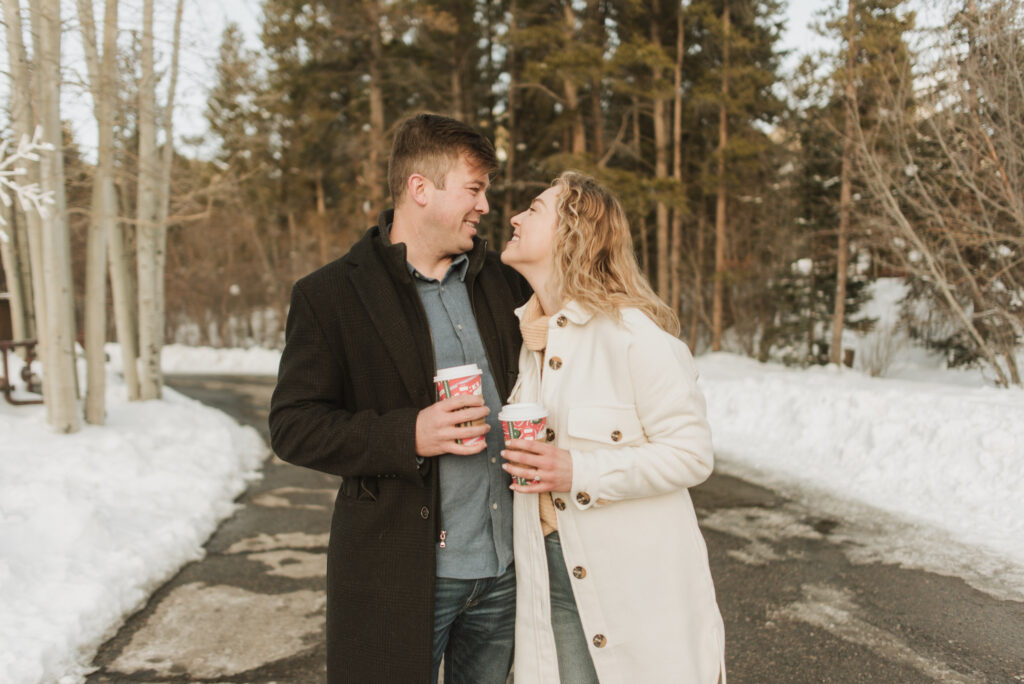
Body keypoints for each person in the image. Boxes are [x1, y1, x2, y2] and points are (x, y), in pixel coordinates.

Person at [269, 113, 529, 683]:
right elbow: (293, 425)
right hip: (400, 573)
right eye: (474, 189)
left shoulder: (503, 281)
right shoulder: (330, 295)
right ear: (420, 189)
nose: (486, 206)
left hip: (507, 573)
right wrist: (408, 434)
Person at [499, 171, 726, 683]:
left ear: (572, 232)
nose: (514, 217)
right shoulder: (533, 343)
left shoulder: (634, 336)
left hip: (635, 594)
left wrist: (578, 469)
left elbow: (692, 454)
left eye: (534, 209)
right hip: (551, 581)